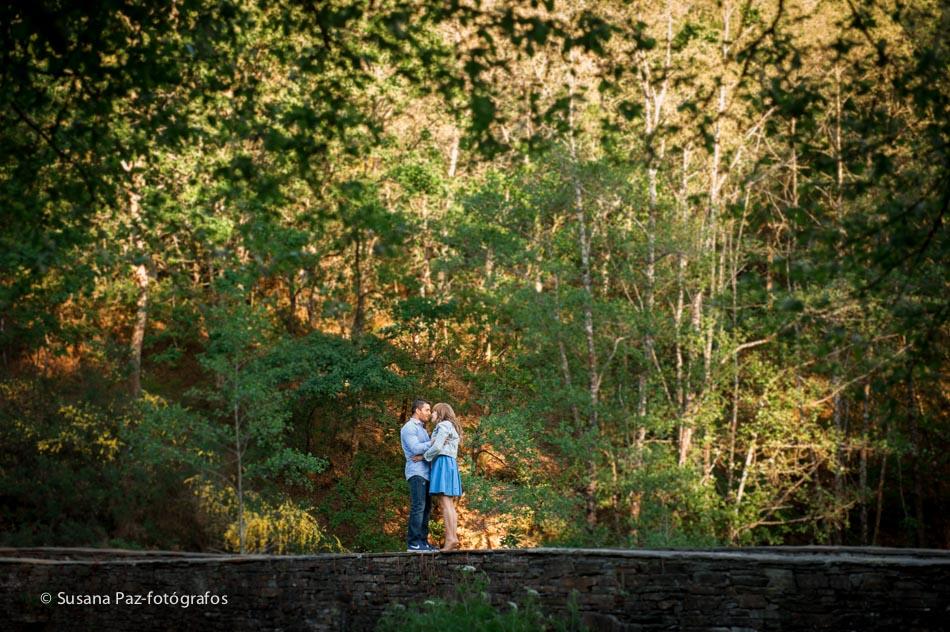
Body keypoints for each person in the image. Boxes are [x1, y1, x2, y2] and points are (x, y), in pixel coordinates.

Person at [421, 402, 463, 551]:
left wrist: (423, 457)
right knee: (449, 504)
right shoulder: (451, 426)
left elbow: (438, 447)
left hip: (443, 463)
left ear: (440, 412)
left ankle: (451, 538)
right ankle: (453, 537)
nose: (431, 414)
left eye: (433, 411)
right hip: (450, 463)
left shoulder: (443, 425)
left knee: (445, 504)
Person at [400, 399, 437, 552]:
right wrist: (433, 442)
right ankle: (413, 543)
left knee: (427, 508)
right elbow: (415, 448)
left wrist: (424, 454)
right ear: (418, 410)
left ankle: (423, 542)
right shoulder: (409, 428)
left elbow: (426, 453)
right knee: (418, 507)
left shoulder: (422, 429)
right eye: (427, 410)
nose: (429, 413)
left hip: (426, 473)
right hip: (416, 472)